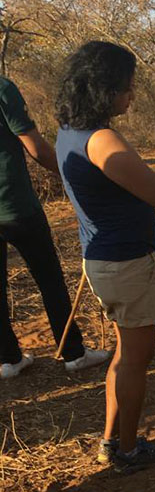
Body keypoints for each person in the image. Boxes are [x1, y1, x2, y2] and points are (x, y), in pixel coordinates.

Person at [55, 41, 155, 473]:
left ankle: (110, 439)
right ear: (104, 89)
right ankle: (129, 451)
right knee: (136, 359)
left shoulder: (70, 134)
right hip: (125, 263)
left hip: (103, 259)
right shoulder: (102, 140)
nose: (131, 96)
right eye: (127, 88)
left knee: (123, 355)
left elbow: (142, 182)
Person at [0, 76, 110, 379]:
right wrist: (73, 175)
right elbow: (36, 148)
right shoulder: (3, 88)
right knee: (50, 280)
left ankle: (9, 360)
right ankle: (73, 353)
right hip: (17, 207)